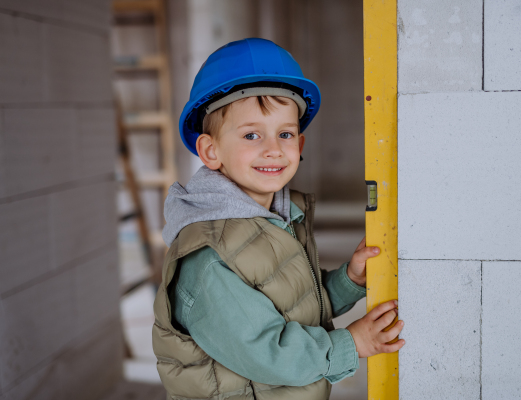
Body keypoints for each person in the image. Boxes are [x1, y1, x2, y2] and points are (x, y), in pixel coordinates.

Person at [152, 38, 405, 400]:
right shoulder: (208, 257)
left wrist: (349, 279)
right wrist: (352, 343)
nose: (273, 148)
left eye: (284, 134)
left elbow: (296, 308)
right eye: (251, 134)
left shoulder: (277, 216)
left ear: (299, 146)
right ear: (211, 150)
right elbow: (267, 351)